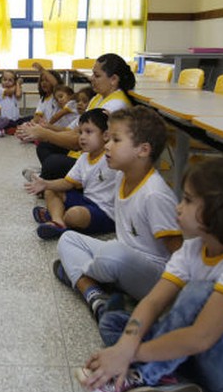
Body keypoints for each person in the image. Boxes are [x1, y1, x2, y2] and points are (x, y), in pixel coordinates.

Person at [76, 154, 223, 392]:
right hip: (203, 358)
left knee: (198, 293)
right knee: (114, 323)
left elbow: (200, 337)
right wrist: (126, 346)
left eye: (187, 200)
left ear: (221, 210)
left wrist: (130, 354)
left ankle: (144, 375)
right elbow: (152, 301)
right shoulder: (193, 249)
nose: (178, 207)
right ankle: (169, 381)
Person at [54, 107, 182, 321]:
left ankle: (78, 276)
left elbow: (179, 255)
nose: (107, 145)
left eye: (115, 140)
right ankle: (93, 294)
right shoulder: (121, 177)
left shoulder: (154, 194)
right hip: (122, 260)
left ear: (142, 150)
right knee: (68, 239)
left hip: (153, 278)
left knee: (113, 253)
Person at [17, 54, 135, 181]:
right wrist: (44, 130)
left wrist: (45, 134)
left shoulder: (115, 105)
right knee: (45, 146)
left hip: (97, 164)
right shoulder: (98, 97)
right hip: (83, 154)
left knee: (53, 162)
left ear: (113, 79)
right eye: (92, 74)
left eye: (97, 75)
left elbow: (79, 142)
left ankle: (50, 179)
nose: (91, 78)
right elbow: (75, 131)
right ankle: (49, 177)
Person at [25, 109, 118, 239]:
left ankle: (55, 215)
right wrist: (45, 184)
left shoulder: (112, 156)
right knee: (50, 191)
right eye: (80, 132)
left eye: (89, 132)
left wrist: (115, 124)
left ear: (106, 135)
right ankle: (58, 222)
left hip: (105, 213)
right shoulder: (84, 158)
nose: (82, 137)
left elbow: (127, 140)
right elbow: (68, 183)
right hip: (86, 201)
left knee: (74, 215)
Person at [0, 69, 23, 134]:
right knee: (8, 123)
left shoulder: (16, 89)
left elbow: (18, 95)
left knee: (30, 118)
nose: (7, 82)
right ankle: (14, 129)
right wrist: (18, 83)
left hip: (16, 120)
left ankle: (16, 128)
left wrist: (18, 85)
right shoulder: (0, 90)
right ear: (1, 81)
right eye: (4, 79)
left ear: (14, 82)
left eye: (10, 80)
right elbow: (12, 91)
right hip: (5, 120)